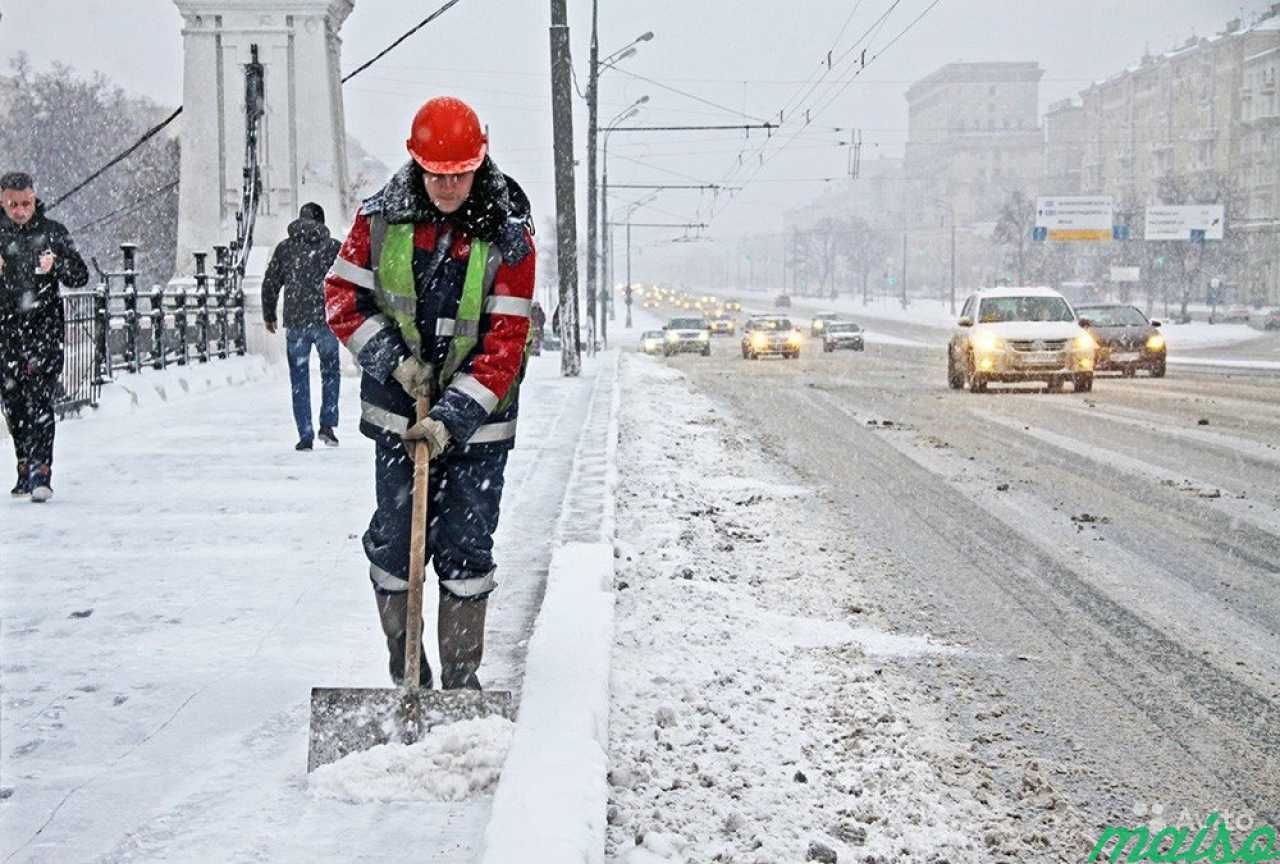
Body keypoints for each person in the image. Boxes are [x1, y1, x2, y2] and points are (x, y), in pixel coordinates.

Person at [325, 96, 535, 689]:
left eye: (461, 175)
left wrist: (450, 416)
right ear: (416, 164)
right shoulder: (379, 220)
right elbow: (342, 300)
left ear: (480, 163)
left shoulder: (509, 235)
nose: (448, 188)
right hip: (398, 417)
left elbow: (505, 342)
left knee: (466, 549)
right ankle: (407, 676)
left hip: (479, 427)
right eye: (437, 175)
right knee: (394, 547)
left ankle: (461, 684)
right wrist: (395, 364)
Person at [0, 172, 89, 502]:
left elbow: (80, 275)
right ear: (2, 201)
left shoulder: (52, 233)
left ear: (34, 198)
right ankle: (24, 463)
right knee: (14, 406)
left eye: (26, 203)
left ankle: (41, 470)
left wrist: (59, 264)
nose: (21, 210)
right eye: (13, 204)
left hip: (44, 333)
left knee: (40, 403)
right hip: (5, 334)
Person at [262, 202, 343, 451]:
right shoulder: (332, 248)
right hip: (325, 320)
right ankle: (327, 424)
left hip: (296, 321)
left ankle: (305, 433)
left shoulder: (286, 248)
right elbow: (347, 281)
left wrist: (269, 313)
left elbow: (271, 281)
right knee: (330, 371)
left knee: (299, 378)